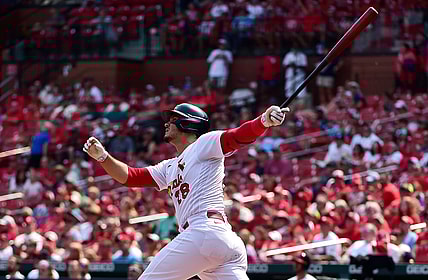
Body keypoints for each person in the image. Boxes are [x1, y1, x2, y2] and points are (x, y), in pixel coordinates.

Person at [83, 103, 289, 280]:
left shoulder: (203, 144)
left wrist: (263, 121)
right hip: (222, 242)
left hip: (203, 231)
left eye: (172, 119)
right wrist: (103, 157)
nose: (166, 123)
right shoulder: (168, 166)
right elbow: (130, 177)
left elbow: (235, 138)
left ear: (188, 123)